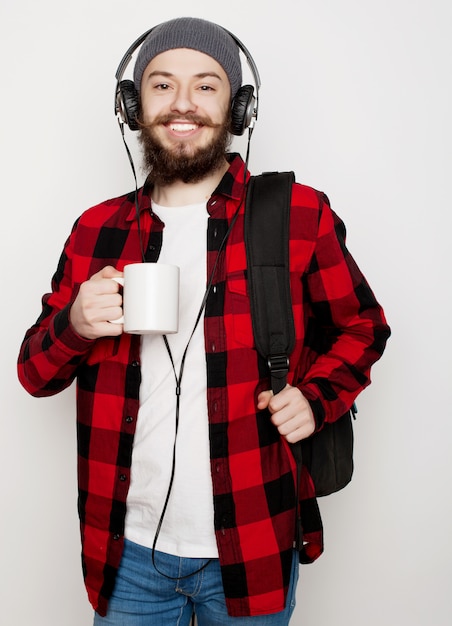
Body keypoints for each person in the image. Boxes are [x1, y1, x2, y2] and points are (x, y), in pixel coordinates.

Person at [17, 16, 390, 626]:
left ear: (238, 106)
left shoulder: (296, 214)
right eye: (161, 85)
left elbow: (364, 326)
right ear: (134, 105)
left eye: (206, 85)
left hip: (253, 541)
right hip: (126, 552)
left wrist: (317, 398)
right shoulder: (97, 229)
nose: (182, 103)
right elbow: (34, 374)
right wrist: (78, 324)